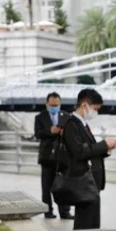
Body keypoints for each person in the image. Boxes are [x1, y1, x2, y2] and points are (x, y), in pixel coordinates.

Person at [62, 88, 116, 231]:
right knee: (84, 223)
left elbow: (91, 150)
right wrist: (103, 144)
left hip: (92, 183)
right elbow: (79, 152)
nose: (96, 112)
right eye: (95, 109)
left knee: (93, 222)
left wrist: (106, 149)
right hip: (83, 183)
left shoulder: (83, 124)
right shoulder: (71, 124)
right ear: (84, 106)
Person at [34, 92, 73, 220]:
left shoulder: (67, 116)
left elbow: (73, 135)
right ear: (47, 104)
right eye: (52, 105)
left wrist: (64, 132)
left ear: (60, 104)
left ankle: (65, 212)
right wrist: (50, 131)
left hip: (63, 157)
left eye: (56, 105)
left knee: (64, 186)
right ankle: (47, 211)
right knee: (46, 186)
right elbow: (37, 134)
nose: (54, 107)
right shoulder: (40, 117)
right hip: (47, 157)